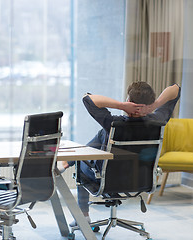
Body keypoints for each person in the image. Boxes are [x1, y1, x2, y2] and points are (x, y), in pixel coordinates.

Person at [58, 81, 181, 226]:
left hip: (108, 180)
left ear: (128, 101)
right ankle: (66, 162)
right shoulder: (158, 120)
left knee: (83, 161)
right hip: (140, 179)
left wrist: (121, 105)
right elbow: (176, 89)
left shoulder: (114, 124)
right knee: (103, 135)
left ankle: (83, 215)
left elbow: (87, 98)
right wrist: (155, 106)